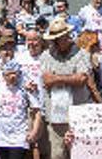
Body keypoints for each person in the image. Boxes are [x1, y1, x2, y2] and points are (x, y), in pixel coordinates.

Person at [39, 19, 94, 159]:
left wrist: (57, 78)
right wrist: (70, 78)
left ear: (66, 36)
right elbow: (46, 80)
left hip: (78, 113)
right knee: (57, 154)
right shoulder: (46, 56)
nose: (55, 42)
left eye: (58, 38)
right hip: (56, 116)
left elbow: (82, 80)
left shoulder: (82, 54)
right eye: (54, 39)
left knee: (79, 154)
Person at [0, 60, 42, 159]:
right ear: (4, 76)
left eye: (15, 73)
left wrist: (34, 131)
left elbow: (37, 111)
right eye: (8, 74)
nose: (12, 76)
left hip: (19, 137)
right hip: (0, 136)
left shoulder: (26, 89)